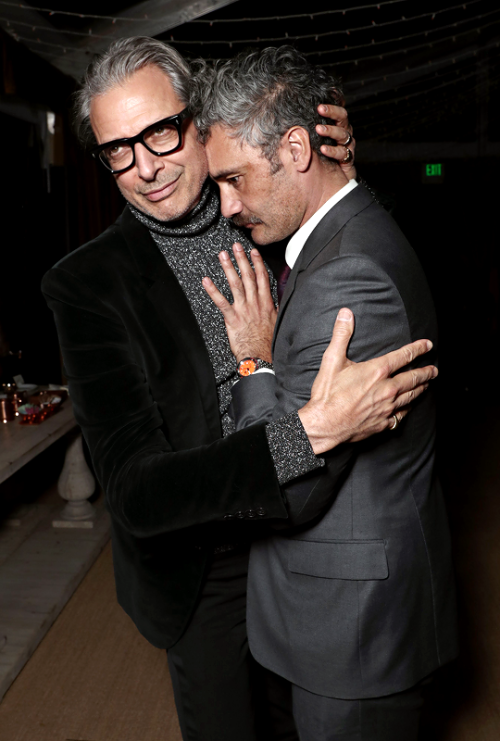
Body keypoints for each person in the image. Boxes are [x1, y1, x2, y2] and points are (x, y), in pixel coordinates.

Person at [42, 37, 438, 741]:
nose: (145, 167)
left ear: (200, 121)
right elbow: (135, 490)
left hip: (305, 543)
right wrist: (306, 431)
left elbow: (338, 221)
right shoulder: (86, 285)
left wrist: (335, 161)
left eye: (159, 132)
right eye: (117, 151)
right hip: (206, 570)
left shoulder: (263, 209)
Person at [194, 46, 458, 741]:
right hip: (334, 622)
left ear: (295, 148)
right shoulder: (346, 229)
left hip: (354, 641)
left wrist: (253, 360)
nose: (226, 206)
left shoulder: (352, 276)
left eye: (234, 179)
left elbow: (287, 489)